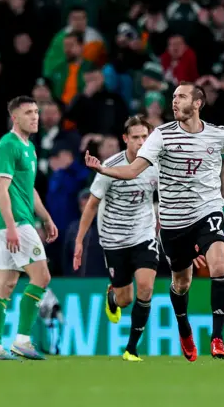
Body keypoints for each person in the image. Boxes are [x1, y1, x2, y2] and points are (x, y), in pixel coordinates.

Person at [85, 82, 224, 361]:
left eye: (181, 97)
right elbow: (133, 170)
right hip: (174, 224)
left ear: (198, 103)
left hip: (208, 211)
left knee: (219, 263)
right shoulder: (161, 136)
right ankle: (184, 328)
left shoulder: (217, 134)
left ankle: (217, 338)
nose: (174, 101)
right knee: (182, 284)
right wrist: (104, 168)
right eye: (173, 97)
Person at [74, 115, 159, 362]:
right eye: (136, 137)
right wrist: (80, 240)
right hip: (113, 239)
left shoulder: (156, 164)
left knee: (146, 286)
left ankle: (131, 348)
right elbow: (91, 205)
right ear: (125, 139)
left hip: (143, 234)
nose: (141, 142)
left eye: (145, 136)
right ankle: (113, 294)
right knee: (125, 299)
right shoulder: (110, 167)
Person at [0, 96, 59, 361]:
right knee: (42, 277)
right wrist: (12, 227)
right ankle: (23, 340)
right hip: (15, 222)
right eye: (29, 112)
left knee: (5, 285)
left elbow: (29, 191)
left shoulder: (29, 147)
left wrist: (47, 218)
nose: (35, 117)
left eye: (37, 112)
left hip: (15, 222)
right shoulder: (8, 145)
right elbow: (0, 188)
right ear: (15, 117)